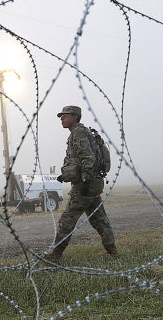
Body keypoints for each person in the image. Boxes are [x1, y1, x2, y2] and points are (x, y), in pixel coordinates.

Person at [45, 105, 117, 262]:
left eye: (65, 116)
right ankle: (112, 251)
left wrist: (85, 179)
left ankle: (56, 254)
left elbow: (88, 157)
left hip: (85, 186)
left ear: (75, 117)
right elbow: (79, 159)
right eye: (61, 116)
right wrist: (65, 176)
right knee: (99, 219)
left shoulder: (78, 133)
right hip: (92, 184)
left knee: (67, 220)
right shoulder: (81, 132)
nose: (62, 119)